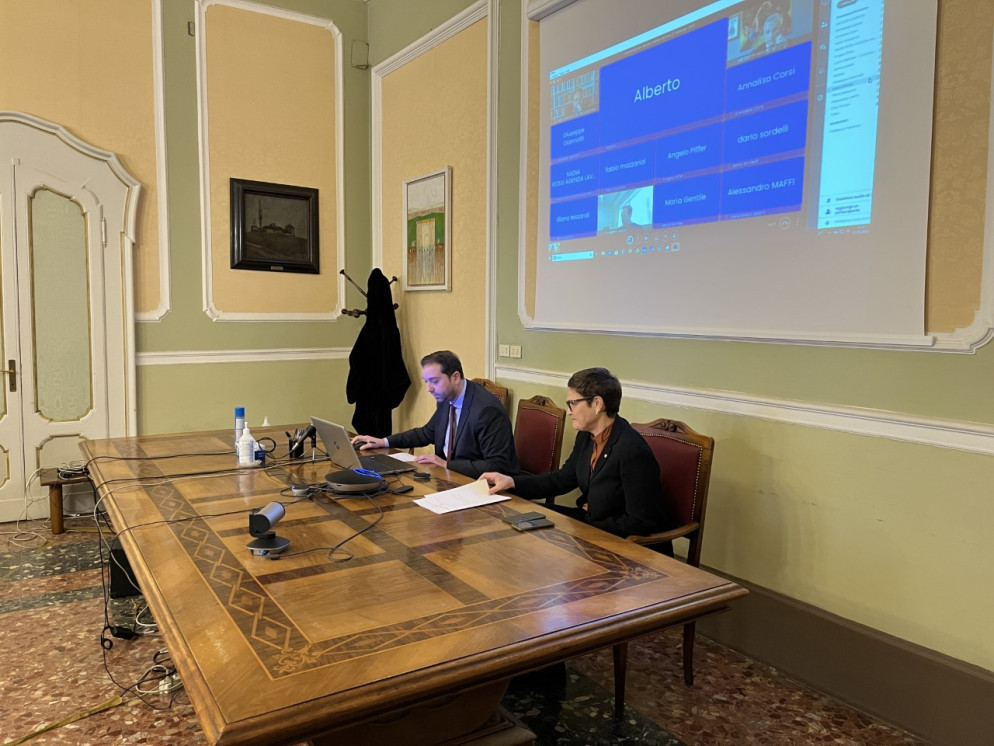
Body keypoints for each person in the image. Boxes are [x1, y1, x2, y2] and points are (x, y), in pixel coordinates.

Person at [481, 368, 668, 537]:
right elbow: (562, 479)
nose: (569, 411)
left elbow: (640, 521)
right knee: (519, 518)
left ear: (597, 404)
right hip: (588, 521)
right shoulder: (586, 436)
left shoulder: (631, 449)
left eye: (573, 403)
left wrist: (581, 532)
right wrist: (511, 482)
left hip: (616, 535)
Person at [351, 350, 519, 479]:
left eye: (434, 381)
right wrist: (383, 441)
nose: (429, 389)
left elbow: (497, 465)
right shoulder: (446, 398)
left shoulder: (486, 410)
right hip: (448, 479)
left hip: (481, 485)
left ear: (455, 377)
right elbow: (427, 433)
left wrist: (446, 464)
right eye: (426, 382)